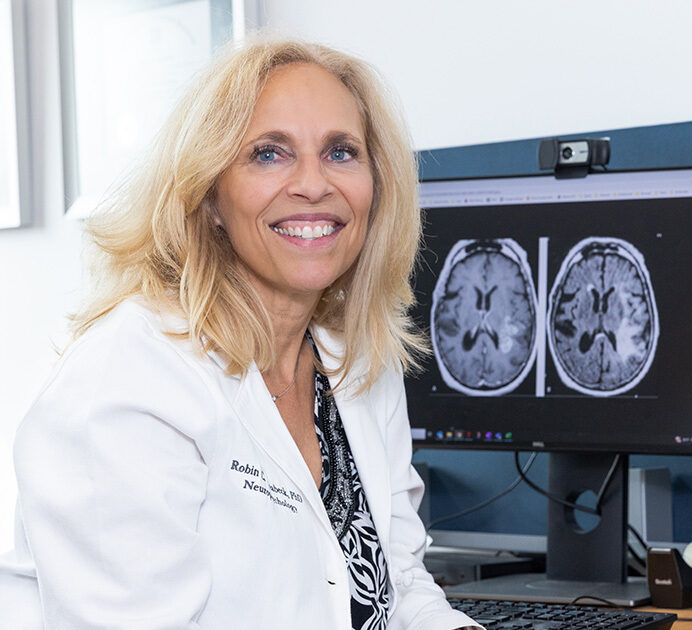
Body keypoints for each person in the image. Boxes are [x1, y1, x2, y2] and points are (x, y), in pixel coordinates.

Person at [0, 38, 480, 630]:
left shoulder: (355, 359)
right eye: (269, 154)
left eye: (341, 151)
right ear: (209, 199)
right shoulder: (128, 380)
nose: (313, 183)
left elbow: (399, 581)